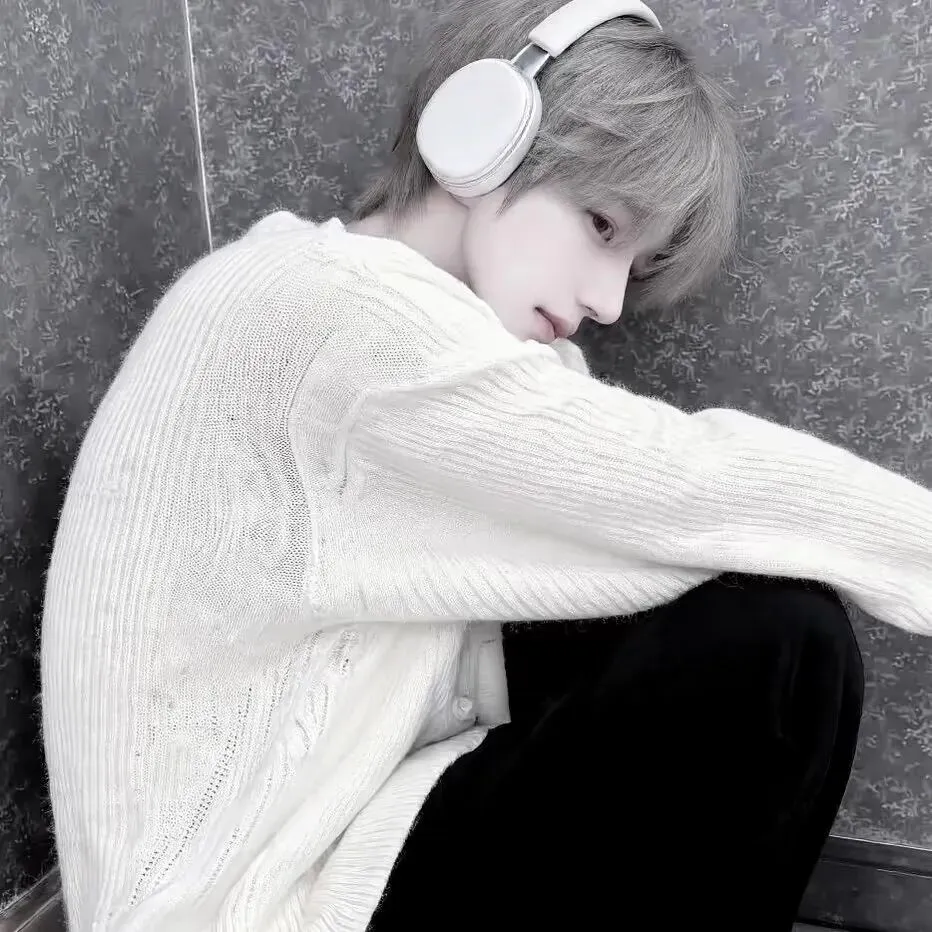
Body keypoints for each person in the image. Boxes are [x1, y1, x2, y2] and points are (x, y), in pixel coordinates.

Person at [38, 1, 929, 931]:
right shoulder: (330, 313)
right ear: (482, 133)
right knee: (783, 644)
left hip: (333, 824)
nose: (610, 301)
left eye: (632, 262)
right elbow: (682, 483)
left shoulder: (339, 294)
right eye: (601, 223)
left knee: (729, 601)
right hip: (243, 906)